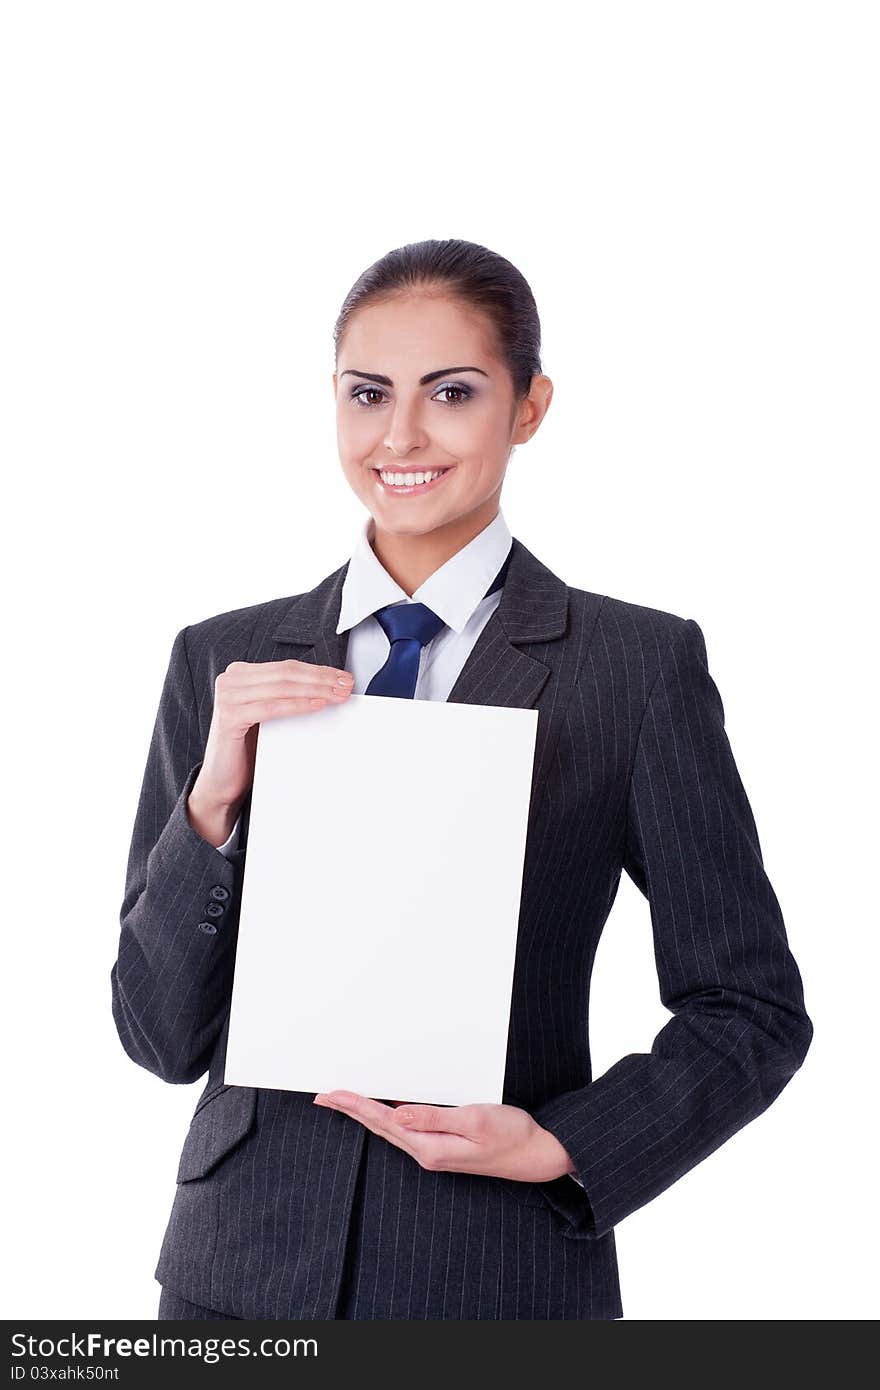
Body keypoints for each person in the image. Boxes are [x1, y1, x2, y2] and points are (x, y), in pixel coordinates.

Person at [111, 238, 813, 1322]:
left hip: (492, 1275)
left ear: (527, 407)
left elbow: (751, 1008)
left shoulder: (632, 667)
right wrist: (209, 805)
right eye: (366, 393)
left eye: (451, 392)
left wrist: (566, 1143)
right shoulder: (224, 656)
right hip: (234, 1278)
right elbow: (159, 1038)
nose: (399, 434)